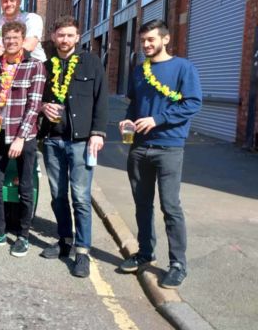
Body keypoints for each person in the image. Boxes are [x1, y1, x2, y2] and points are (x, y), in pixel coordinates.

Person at [118, 19, 202, 289]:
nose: (146, 44)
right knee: (142, 204)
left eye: (151, 39)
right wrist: (128, 119)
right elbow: (135, 104)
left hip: (169, 147)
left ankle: (178, 264)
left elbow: (193, 103)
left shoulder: (183, 68)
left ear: (165, 39)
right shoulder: (138, 70)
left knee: (170, 207)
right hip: (139, 147)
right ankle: (145, 252)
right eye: (143, 40)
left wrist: (157, 119)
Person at [38, 16, 108, 278]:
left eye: (69, 35)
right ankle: (65, 240)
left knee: (80, 197)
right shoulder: (45, 67)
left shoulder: (91, 62)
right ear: (53, 37)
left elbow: (101, 99)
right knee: (58, 195)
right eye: (60, 35)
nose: (65, 39)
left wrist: (98, 133)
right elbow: (36, 99)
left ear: (77, 37)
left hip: (81, 142)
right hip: (53, 140)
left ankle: (82, 251)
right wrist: (43, 107)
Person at [0, 21, 46, 257]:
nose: (11, 42)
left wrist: (20, 138)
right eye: (7, 38)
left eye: (16, 38)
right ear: (2, 40)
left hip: (23, 135)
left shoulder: (35, 66)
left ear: (23, 40)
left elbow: (34, 105)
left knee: (25, 187)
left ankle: (23, 236)